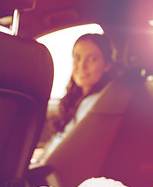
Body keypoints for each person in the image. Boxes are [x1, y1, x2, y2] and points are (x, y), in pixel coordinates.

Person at [32, 33, 117, 163]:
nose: (81, 66)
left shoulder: (94, 102)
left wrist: (41, 160)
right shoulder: (82, 99)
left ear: (107, 66)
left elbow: (69, 148)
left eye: (92, 59)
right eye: (77, 58)